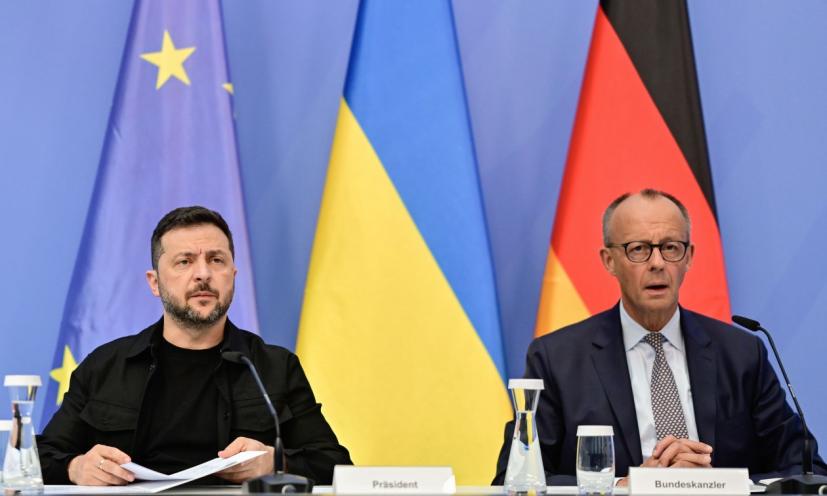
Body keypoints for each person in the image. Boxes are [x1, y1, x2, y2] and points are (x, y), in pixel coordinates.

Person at [494, 189, 826, 485]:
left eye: (670, 248)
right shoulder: (557, 359)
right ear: (609, 261)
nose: (657, 263)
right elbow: (514, 479)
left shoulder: (742, 353)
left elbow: (808, 470)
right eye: (638, 249)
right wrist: (626, 486)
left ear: (689, 256)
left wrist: (717, 484)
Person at [38, 206, 351, 486]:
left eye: (216, 260)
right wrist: (76, 467)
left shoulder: (274, 367)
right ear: (154, 282)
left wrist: (275, 462)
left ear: (233, 276)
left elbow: (335, 464)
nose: (203, 274)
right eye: (184, 261)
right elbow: (39, 458)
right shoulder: (105, 366)